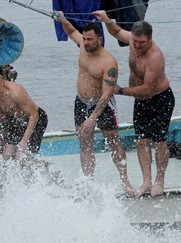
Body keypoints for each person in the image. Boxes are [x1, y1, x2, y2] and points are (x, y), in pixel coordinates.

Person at [93, 10, 175, 197]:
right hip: (141, 101)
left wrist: (120, 91)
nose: (137, 46)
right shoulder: (132, 40)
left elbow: (148, 89)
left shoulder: (155, 57)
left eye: (141, 43)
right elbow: (116, 32)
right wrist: (106, 19)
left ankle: (159, 181)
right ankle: (146, 181)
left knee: (159, 142)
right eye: (135, 42)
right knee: (141, 140)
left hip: (160, 99)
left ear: (150, 40)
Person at [56, 11, 133, 194]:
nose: (86, 42)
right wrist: (60, 17)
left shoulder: (109, 62)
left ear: (100, 39)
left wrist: (92, 118)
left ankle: (125, 180)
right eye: (84, 38)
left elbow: (107, 95)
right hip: (81, 101)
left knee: (113, 141)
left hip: (103, 105)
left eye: (90, 39)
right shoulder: (82, 45)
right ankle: (87, 182)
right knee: (84, 142)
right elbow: (70, 30)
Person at [0, 62, 48, 186]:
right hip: (16, 120)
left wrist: (23, 142)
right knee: (7, 154)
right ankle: (15, 183)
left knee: (21, 155)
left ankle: (41, 170)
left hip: (36, 120)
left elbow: (34, 115)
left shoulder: (16, 91)